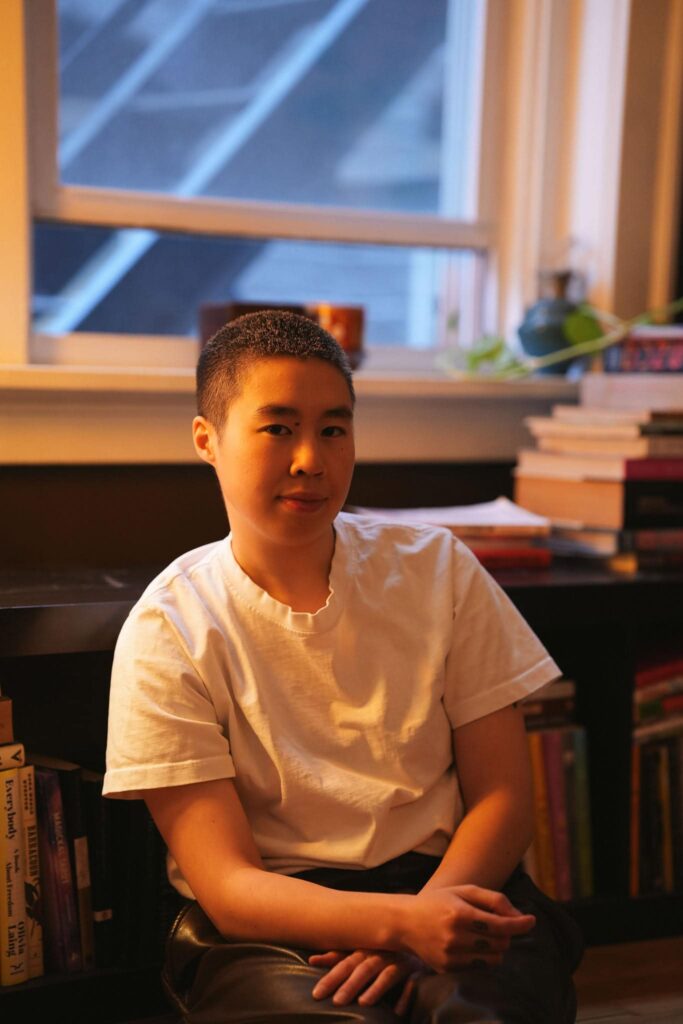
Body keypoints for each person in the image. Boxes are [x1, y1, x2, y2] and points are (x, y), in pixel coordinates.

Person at [103, 310, 584, 1023]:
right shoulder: (169, 624)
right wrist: (392, 928)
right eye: (277, 428)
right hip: (272, 923)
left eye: (333, 428)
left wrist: (422, 919)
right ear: (208, 439)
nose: (310, 459)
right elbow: (229, 886)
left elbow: (503, 800)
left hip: (450, 886)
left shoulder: (437, 570)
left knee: (475, 1013)